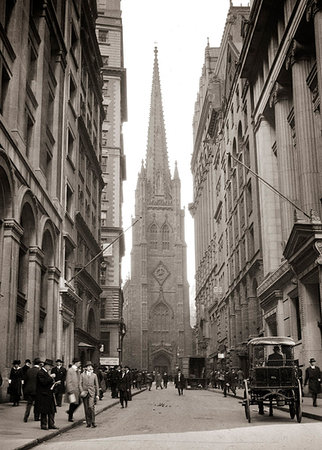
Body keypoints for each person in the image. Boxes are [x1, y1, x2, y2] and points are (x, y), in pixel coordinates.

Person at [36, 358, 58, 430]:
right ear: (46, 366)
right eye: (50, 366)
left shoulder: (46, 373)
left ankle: (51, 424)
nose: (50, 368)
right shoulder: (41, 372)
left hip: (49, 394)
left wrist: (55, 383)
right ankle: (44, 424)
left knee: (52, 410)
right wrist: (51, 378)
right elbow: (43, 382)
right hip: (43, 395)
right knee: (44, 411)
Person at [80, 361, 99, 427]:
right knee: (86, 408)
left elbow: (97, 385)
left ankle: (93, 422)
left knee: (91, 407)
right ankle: (88, 422)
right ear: (86, 368)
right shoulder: (82, 375)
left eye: (91, 367)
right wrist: (82, 391)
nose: (90, 368)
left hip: (92, 393)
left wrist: (97, 395)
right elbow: (80, 384)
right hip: (85, 393)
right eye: (88, 367)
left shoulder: (94, 375)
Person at [23, 357, 41, 422]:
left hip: (29, 389)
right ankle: (36, 417)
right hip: (36, 390)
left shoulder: (29, 370)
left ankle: (26, 416)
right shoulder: (39, 371)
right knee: (37, 404)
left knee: (29, 404)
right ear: (39, 364)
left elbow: (25, 380)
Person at [65, 357, 81, 422]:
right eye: (79, 363)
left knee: (78, 402)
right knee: (72, 403)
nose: (80, 364)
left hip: (77, 390)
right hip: (72, 390)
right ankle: (70, 417)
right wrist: (70, 390)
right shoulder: (70, 370)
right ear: (76, 363)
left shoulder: (77, 370)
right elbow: (68, 380)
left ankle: (70, 412)